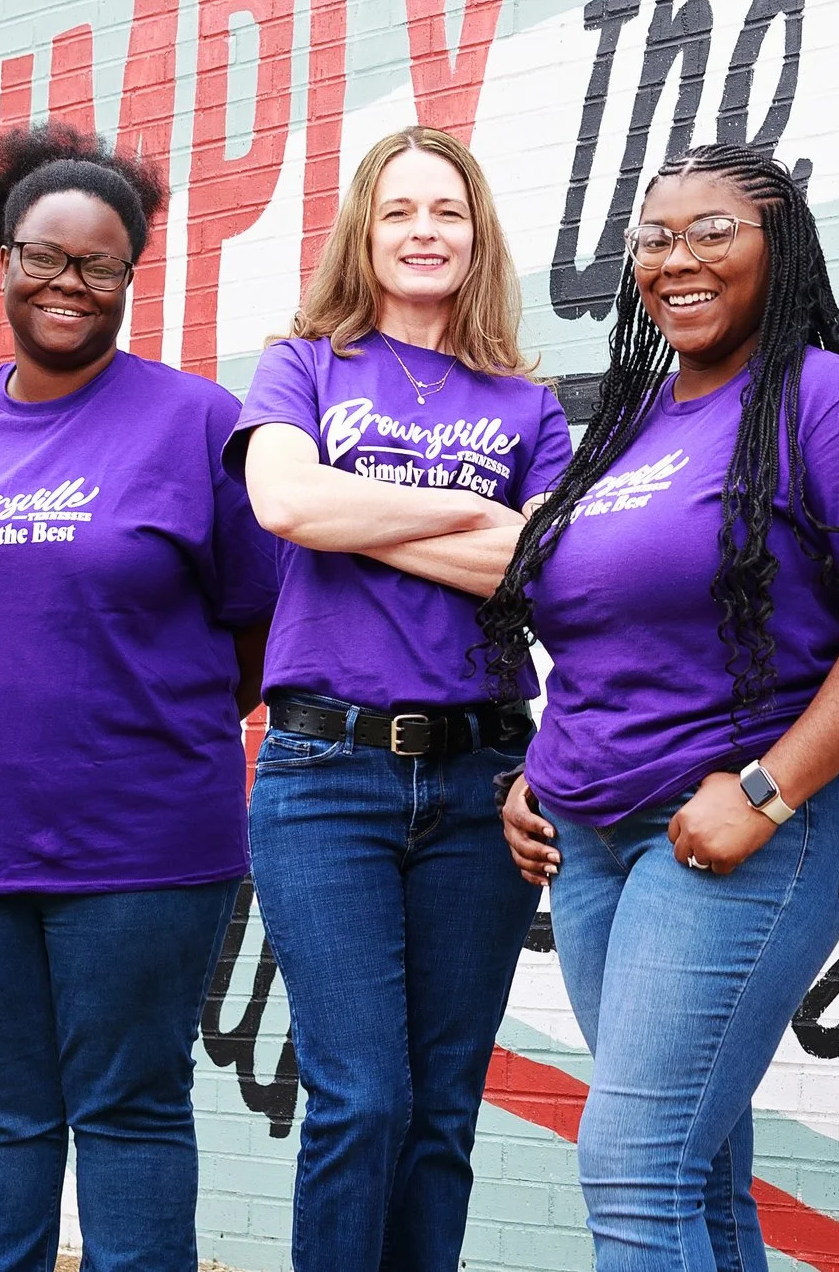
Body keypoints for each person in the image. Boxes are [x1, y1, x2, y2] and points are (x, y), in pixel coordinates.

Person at [483, 142, 839, 1271]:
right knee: (690, 1169)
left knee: (632, 1168)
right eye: (653, 238)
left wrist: (768, 788)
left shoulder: (820, 397)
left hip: (732, 833)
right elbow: (605, 622)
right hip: (592, 842)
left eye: (712, 232)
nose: (675, 259)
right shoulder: (629, 420)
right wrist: (537, 768)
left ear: (778, 247)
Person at [0, 123, 278, 1272]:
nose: (67, 283)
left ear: (131, 278)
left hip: (139, 843)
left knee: (130, 1104)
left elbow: (258, 628)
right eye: (44, 254)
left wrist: (146, 722)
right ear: (0, 253)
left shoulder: (198, 420)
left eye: (99, 263)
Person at [230, 126, 571, 1269]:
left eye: (447, 211)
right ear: (363, 235)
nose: (424, 231)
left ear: (477, 236)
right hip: (327, 775)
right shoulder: (305, 363)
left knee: (441, 1111)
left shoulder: (529, 404)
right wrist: (477, 521)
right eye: (399, 211)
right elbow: (285, 505)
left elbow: (547, 566)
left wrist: (358, 505)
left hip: (481, 779)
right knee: (360, 1095)